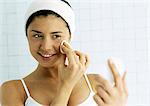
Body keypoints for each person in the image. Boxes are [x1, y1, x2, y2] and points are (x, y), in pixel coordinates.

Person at [0, 0, 128, 106]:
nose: (45, 46)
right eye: (37, 35)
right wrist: (66, 85)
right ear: (27, 36)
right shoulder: (13, 90)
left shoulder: (96, 84)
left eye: (56, 36)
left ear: (70, 37)